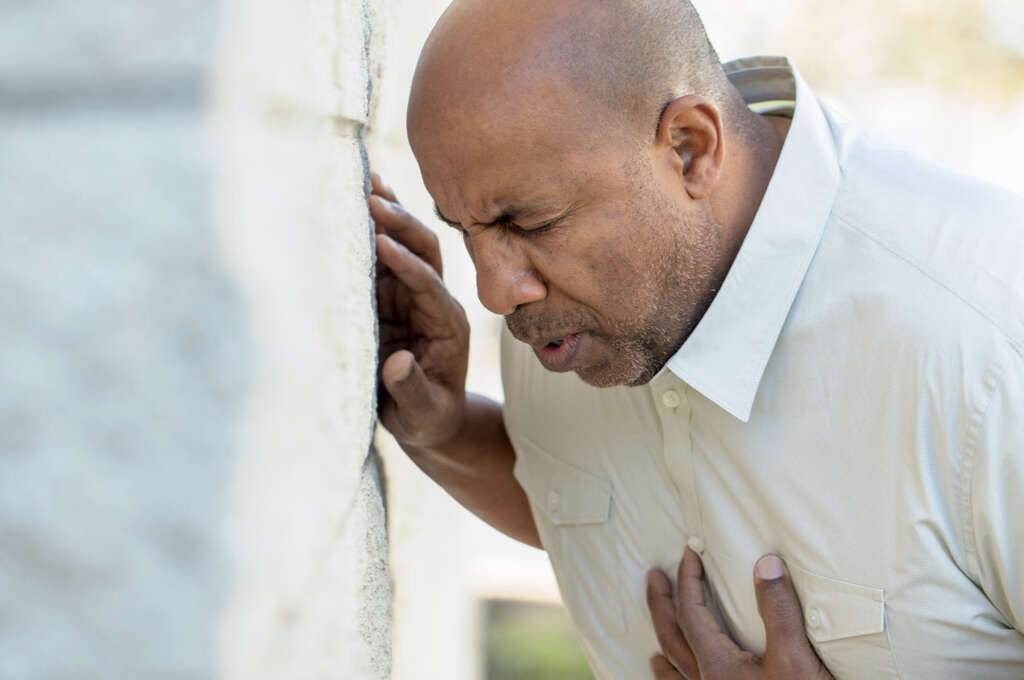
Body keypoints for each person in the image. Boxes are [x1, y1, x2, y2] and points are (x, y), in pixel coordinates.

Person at [371, 1, 1024, 678]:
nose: (494, 291)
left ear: (690, 148)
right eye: (464, 231)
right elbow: (586, 494)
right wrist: (444, 431)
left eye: (531, 223)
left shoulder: (988, 343)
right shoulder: (567, 317)